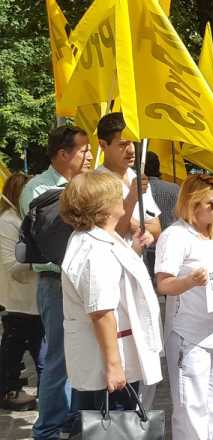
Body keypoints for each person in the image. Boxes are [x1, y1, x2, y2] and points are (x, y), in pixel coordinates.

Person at [58, 171, 162, 411]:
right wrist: (114, 366)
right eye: (118, 194)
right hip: (108, 365)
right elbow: (101, 311)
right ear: (103, 206)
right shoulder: (95, 250)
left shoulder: (101, 237)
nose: (122, 197)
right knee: (115, 425)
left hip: (111, 357)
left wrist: (133, 248)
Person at [22, 125, 92, 440]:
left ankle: (73, 418)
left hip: (85, 283)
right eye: (83, 149)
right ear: (63, 154)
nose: (90, 155)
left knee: (84, 353)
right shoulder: (39, 189)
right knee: (59, 357)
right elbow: (50, 238)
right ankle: (47, 428)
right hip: (56, 282)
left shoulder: (90, 184)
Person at [155, 175, 213, 439]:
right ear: (193, 203)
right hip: (190, 334)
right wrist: (189, 281)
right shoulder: (176, 236)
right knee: (191, 408)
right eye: (212, 204)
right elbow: (163, 284)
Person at [0, 173, 40, 411]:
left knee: (21, 349)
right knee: (16, 350)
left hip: (28, 301)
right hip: (18, 301)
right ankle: (8, 390)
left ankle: (10, 388)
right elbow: (12, 266)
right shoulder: (8, 222)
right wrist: (41, 259)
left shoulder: (21, 220)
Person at [95, 112, 162, 239]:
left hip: (136, 258)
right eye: (123, 144)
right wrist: (131, 198)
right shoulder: (94, 183)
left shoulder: (137, 177)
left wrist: (132, 224)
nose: (131, 149)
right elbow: (113, 232)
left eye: (133, 142)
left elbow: (157, 229)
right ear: (103, 145)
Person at [144, 151, 181, 230]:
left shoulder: (135, 190)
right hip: (172, 236)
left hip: (147, 237)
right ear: (158, 166)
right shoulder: (175, 188)